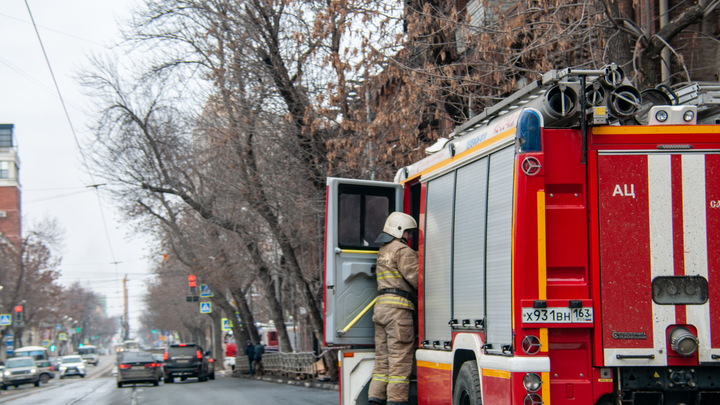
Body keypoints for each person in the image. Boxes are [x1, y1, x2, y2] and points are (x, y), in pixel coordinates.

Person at [368, 212, 419, 405]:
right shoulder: (402, 250)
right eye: (408, 232)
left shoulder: (383, 250)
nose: (409, 236)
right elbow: (416, 278)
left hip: (380, 309)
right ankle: (396, 402)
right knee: (399, 361)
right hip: (398, 312)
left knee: (382, 360)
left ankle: (375, 399)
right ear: (399, 230)